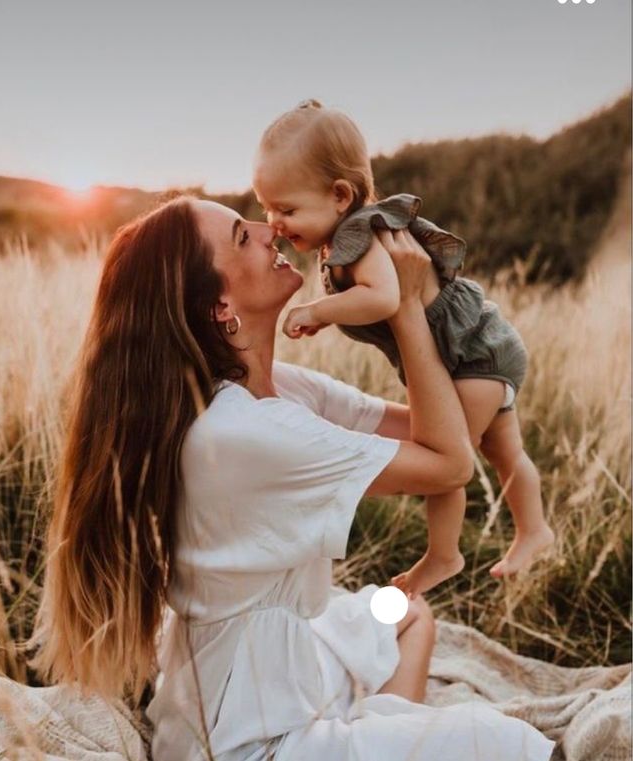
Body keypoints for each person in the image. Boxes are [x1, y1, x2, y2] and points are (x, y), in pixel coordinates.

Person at [29, 196, 555, 760]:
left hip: (282, 661)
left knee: (405, 611)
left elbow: (451, 433)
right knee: (514, 745)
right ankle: (382, 738)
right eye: (240, 236)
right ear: (220, 306)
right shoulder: (242, 431)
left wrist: (434, 306)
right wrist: (403, 310)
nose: (267, 228)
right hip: (248, 739)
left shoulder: (279, 387)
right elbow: (447, 465)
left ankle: (384, 731)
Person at [252, 99, 555, 596]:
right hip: (477, 348)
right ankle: (534, 528)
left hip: (469, 354)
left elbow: (385, 297)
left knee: (444, 461)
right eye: (266, 207)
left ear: (340, 194)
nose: (275, 222)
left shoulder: (361, 236)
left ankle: (444, 555)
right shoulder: (344, 237)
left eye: (286, 209)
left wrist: (318, 313)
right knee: (503, 448)